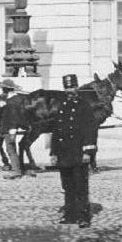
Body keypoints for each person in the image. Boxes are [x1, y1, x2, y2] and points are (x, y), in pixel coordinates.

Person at [49, 74, 97, 228]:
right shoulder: (61, 106)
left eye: (72, 87)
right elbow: (56, 130)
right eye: (67, 87)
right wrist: (54, 153)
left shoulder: (84, 105)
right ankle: (69, 215)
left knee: (81, 187)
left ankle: (84, 216)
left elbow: (90, 129)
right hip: (64, 153)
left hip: (78, 153)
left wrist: (87, 152)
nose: (70, 90)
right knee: (67, 186)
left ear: (77, 87)